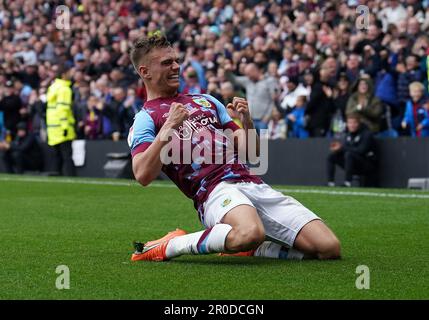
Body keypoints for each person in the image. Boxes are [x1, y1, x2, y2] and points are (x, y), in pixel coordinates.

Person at [127, 35, 340, 262]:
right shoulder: (145, 118)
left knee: (328, 248)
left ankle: (252, 247)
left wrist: (246, 121)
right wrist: (169, 126)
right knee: (250, 232)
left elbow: (253, 154)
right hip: (213, 191)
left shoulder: (206, 101)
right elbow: (143, 174)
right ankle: (172, 245)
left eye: (176, 60)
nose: (176, 66)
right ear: (145, 72)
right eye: (167, 63)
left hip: (251, 183)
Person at [225, 61, 278, 135]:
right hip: (251, 120)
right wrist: (227, 71)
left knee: (264, 145)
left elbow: (274, 100)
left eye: (248, 74)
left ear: (255, 70)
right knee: (252, 144)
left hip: (264, 120)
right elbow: (234, 80)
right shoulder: (248, 81)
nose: (248, 76)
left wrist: (267, 117)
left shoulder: (269, 81)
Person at [327, 114, 377, 188]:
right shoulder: (348, 135)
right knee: (332, 156)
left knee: (349, 154)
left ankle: (347, 183)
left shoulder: (367, 134)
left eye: (354, 123)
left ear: (359, 124)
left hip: (366, 164)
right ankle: (330, 183)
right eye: (350, 123)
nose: (352, 125)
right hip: (352, 164)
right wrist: (338, 149)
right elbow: (345, 148)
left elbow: (361, 151)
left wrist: (342, 147)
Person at [46, 65, 76, 176]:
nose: (71, 74)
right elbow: (62, 109)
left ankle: (56, 176)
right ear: (64, 74)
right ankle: (70, 177)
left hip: (53, 128)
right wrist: (65, 127)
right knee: (67, 156)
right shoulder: (65, 89)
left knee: (56, 156)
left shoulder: (53, 87)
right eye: (69, 72)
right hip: (62, 127)